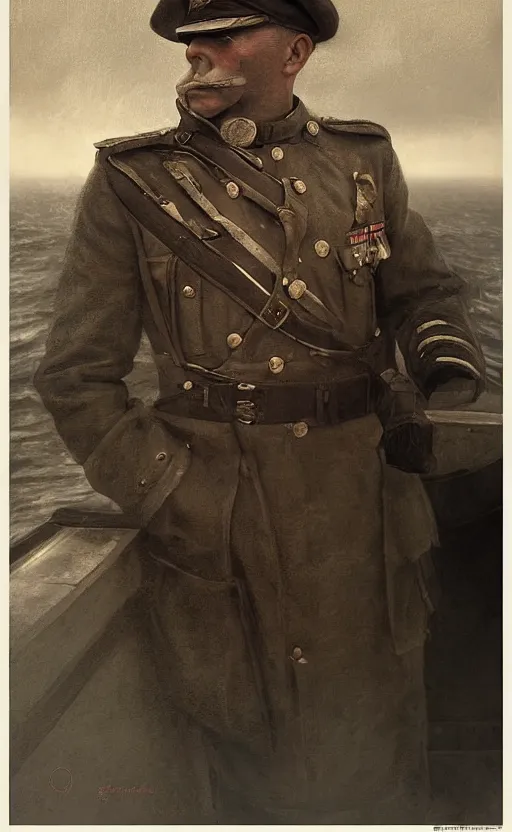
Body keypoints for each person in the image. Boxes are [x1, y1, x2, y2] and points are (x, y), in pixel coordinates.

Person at [34, 0, 486, 823]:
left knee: (380, 747)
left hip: (363, 502)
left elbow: (424, 294)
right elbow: (75, 377)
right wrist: (173, 494)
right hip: (223, 516)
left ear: (296, 51)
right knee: (262, 764)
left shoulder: (361, 160)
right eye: (192, 38)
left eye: (228, 33)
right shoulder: (134, 183)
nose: (202, 52)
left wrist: (448, 374)